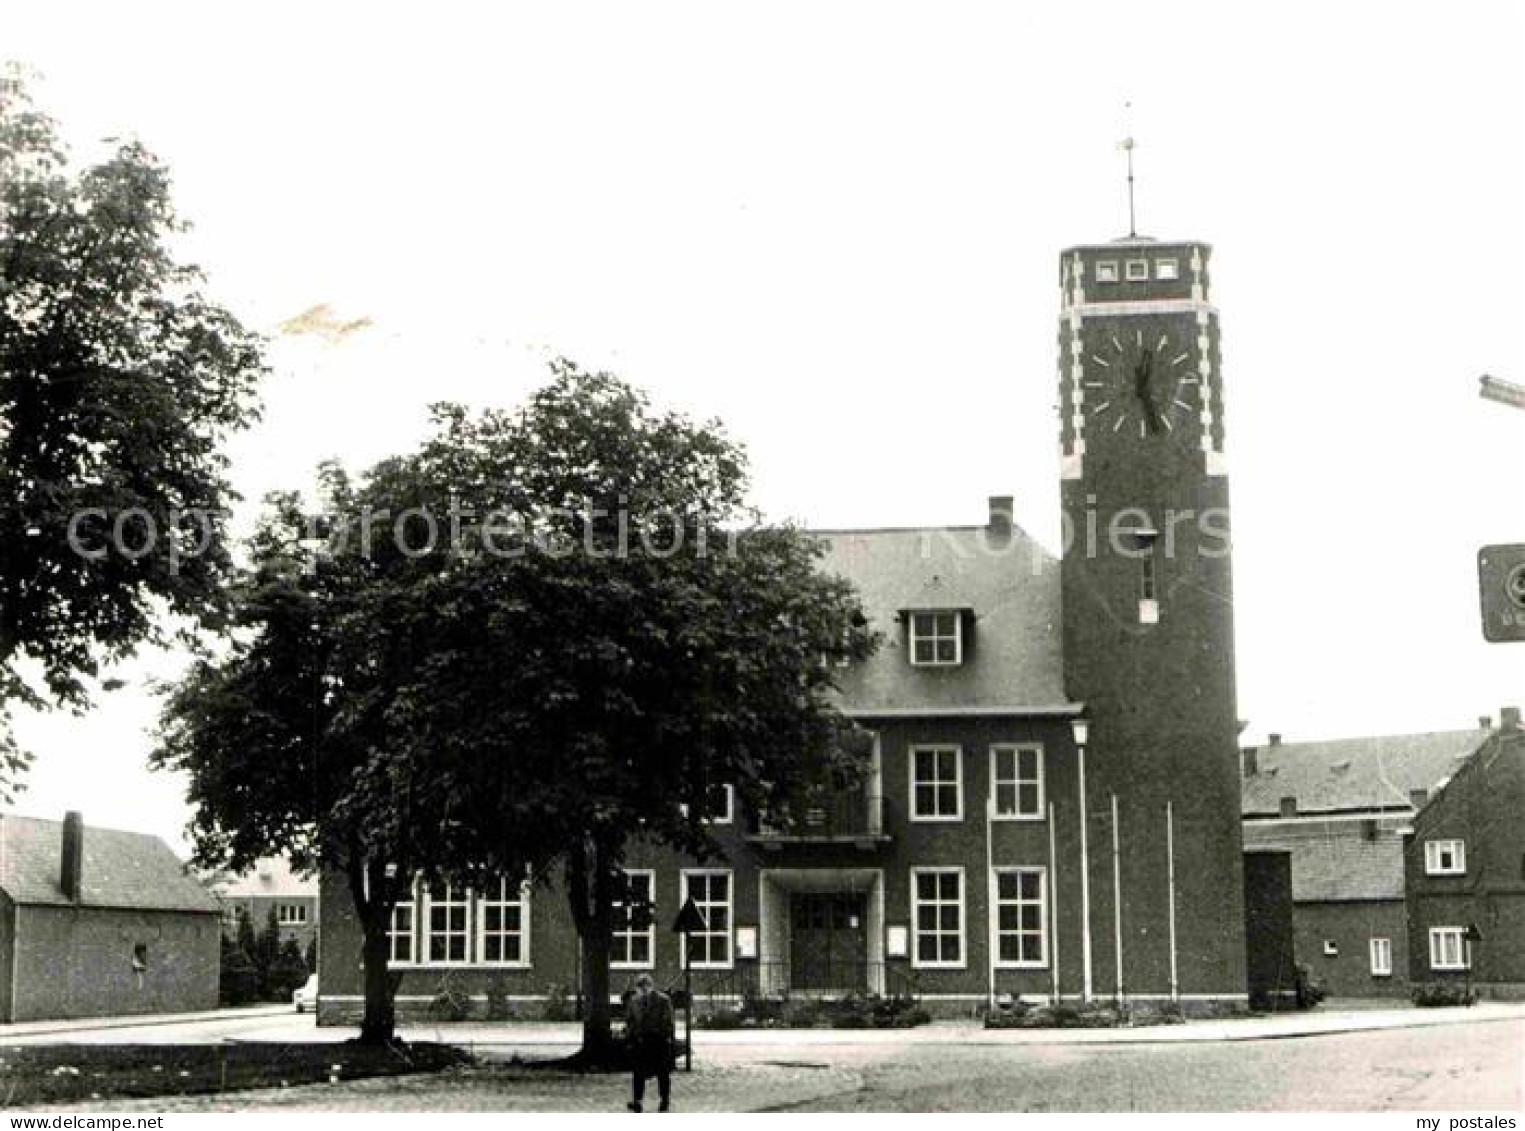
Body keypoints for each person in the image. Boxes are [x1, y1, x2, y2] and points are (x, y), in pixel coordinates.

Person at [625, 973, 675, 1112]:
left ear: (651, 987)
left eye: (645, 987)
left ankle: (664, 1100)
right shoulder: (634, 1001)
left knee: (662, 1073)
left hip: (658, 1041)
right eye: (640, 988)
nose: (643, 991)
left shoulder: (663, 1000)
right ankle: (637, 1100)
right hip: (641, 1042)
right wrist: (630, 1037)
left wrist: (662, 1034)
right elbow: (630, 1021)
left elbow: (668, 1020)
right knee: (638, 1072)